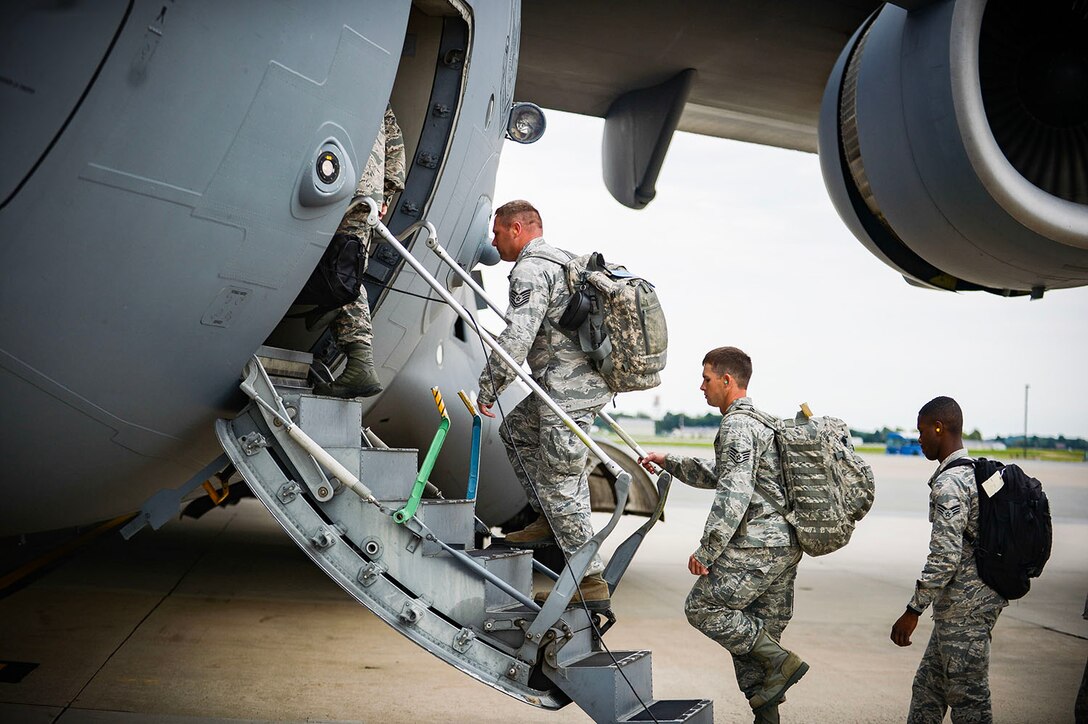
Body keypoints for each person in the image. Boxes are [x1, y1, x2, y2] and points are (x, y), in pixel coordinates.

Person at [640, 347, 806, 723]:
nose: (702, 387)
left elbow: (734, 493)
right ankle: (773, 685)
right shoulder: (764, 423)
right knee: (755, 642)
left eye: (707, 378)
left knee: (702, 607)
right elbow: (721, 474)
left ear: (727, 381)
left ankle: (783, 661)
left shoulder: (736, 426)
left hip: (759, 544)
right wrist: (668, 461)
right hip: (785, 545)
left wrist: (708, 550)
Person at [476, 200, 613, 611]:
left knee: (560, 483)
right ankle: (547, 520)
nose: (493, 240)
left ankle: (588, 580)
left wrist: (488, 388)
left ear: (517, 228)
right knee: (515, 430)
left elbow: (517, 337)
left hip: (568, 394)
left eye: (497, 232)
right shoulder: (564, 262)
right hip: (563, 389)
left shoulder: (531, 269)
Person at [890, 396, 1007, 723]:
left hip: (965, 609)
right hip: (961, 606)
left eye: (922, 431)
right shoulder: (973, 473)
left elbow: (945, 557)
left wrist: (913, 610)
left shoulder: (950, 483)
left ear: (939, 428)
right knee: (928, 690)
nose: (919, 438)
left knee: (969, 700)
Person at [315, 104, 406, 398]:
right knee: (347, 271)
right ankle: (360, 360)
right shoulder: (382, 96)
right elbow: (394, 141)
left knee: (342, 273)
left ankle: (361, 363)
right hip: (364, 191)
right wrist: (386, 192)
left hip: (334, 178)